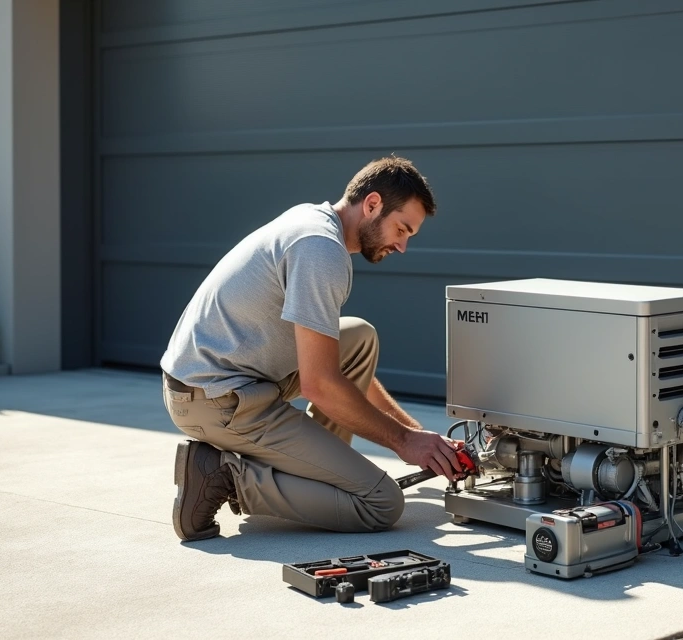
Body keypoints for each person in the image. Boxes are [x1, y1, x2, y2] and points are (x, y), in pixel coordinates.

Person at [159, 156, 464, 542]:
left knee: (358, 335)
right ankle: (223, 475)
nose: (402, 246)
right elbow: (320, 384)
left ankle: (311, 471)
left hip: (235, 377)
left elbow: (332, 368)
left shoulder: (313, 220)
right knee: (380, 502)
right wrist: (403, 443)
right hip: (214, 398)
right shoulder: (321, 250)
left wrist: (416, 433)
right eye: (401, 229)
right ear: (371, 205)